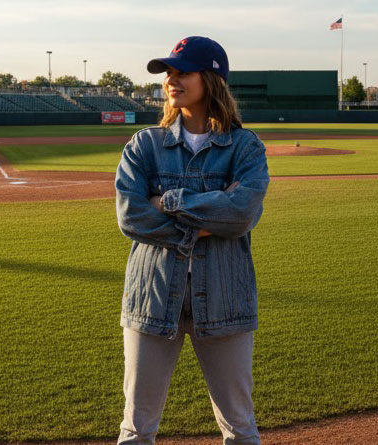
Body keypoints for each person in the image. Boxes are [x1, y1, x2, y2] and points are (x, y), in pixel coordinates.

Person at [114, 36, 270, 445]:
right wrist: (210, 215)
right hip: (152, 297)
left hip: (224, 298)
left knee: (240, 428)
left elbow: (241, 214)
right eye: (169, 72)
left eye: (183, 71)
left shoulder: (244, 146)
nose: (171, 79)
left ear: (211, 79)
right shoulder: (145, 145)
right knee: (136, 429)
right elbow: (131, 216)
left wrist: (166, 203)